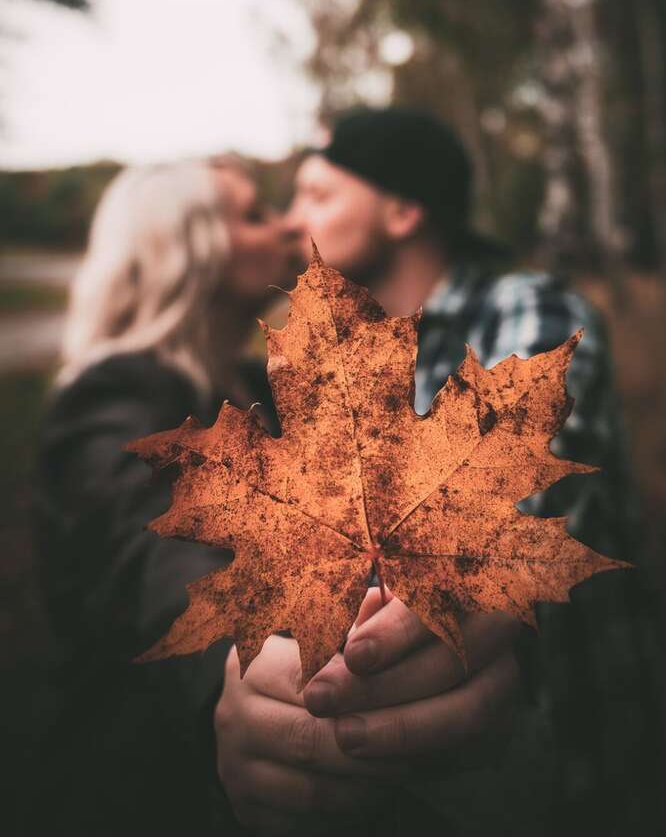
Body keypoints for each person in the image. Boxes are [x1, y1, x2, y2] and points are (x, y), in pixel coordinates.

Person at [212, 107, 663, 835]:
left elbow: (496, 530)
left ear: (402, 212)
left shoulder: (529, 312)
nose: (293, 220)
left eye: (317, 194)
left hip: (587, 770)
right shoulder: (343, 363)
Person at [32, 156, 304, 837]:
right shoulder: (111, 396)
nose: (287, 225)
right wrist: (231, 663)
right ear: (190, 249)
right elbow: (144, 548)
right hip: (136, 787)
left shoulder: (255, 386)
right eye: (254, 214)